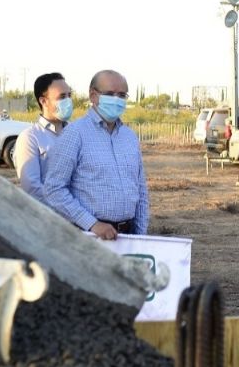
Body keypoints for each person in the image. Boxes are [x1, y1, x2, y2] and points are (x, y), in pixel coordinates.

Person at [44, 69, 149, 240]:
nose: (116, 99)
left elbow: (141, 190)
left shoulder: (129, 137)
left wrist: (141, 235)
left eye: (122, 95)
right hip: (90, 236)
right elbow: (54, 188)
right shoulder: (74, 134)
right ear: (93, 96)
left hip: (128, 237)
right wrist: (92, 224)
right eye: (109, 94)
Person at [15, 72, 73, 201]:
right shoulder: (30, 138)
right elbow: (32, 188)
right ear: (43, 101)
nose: (68, 101)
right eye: (62, 97)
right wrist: (69, 209)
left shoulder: (76, 133)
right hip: (52, 216)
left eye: (69, 95)